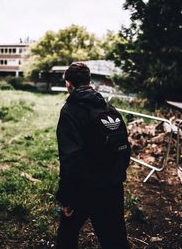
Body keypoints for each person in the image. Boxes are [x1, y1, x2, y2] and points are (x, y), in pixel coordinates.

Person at [55, 62, 131, 249]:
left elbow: (70, 159)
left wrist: (67, 197)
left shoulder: (70, 111)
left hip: (83, 189)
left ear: (68, 83)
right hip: (112, 189)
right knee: (115, 240)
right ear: (89, 81)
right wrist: (115, 179)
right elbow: (124, 150)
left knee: (66, 237)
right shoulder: (110, 109)